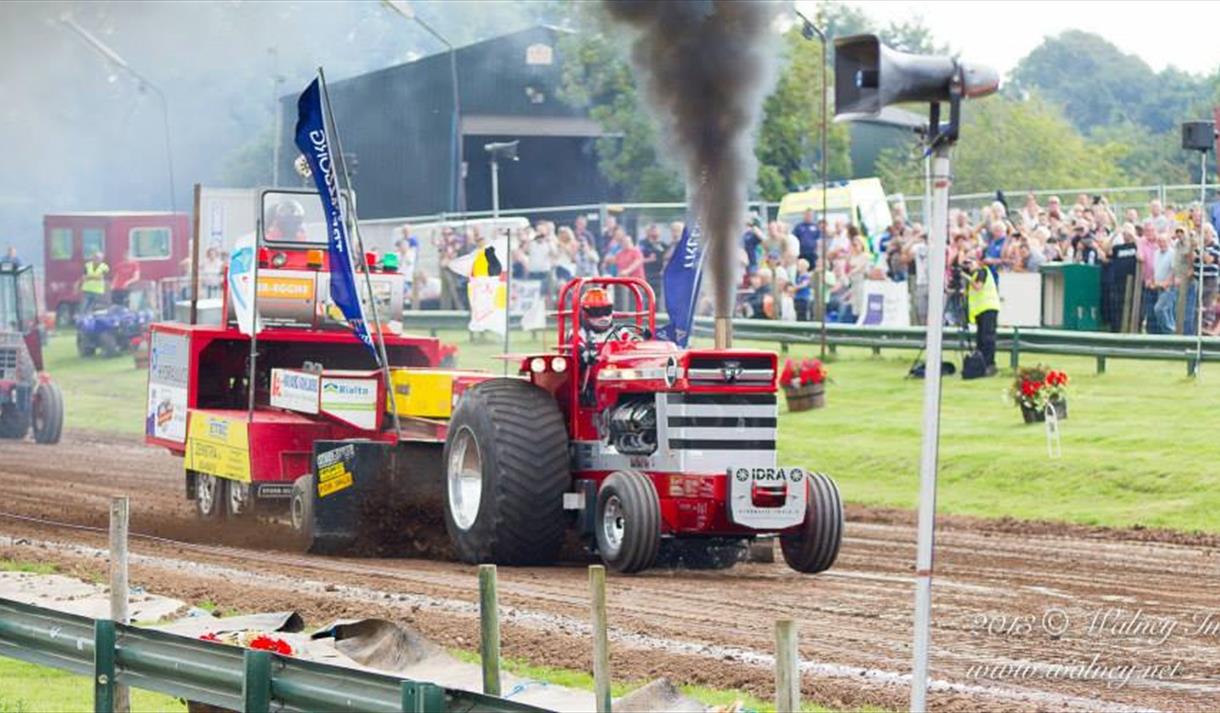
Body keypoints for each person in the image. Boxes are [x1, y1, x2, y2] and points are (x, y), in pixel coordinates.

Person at [962, 253, 1000, 376]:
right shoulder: (974, 276)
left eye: (970, 263)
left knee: (987, 338)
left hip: (988, 308)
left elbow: (978, 287)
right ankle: (981, 364)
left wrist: (965, 276)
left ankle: (990, 364)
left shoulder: (982, 271)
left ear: (977, 263)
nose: (969, 266)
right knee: (981, 338)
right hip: (981, 310)